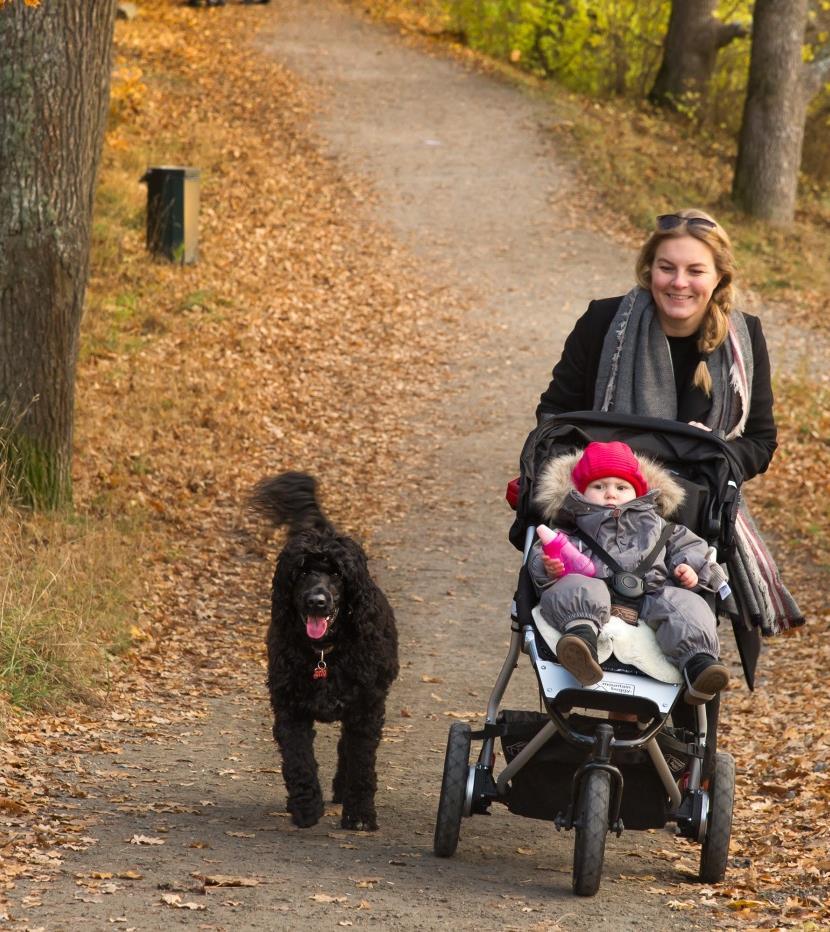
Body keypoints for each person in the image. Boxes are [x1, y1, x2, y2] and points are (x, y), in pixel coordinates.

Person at [534, 208, 802, 641]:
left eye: (695, 270)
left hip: (691, 519)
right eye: (666, 268)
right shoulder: (604, 322)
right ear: (648, 270)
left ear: (719, 277)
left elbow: (760, 440)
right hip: (599, 507)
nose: (679, 282)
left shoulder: (745, 337)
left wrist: (714, 449)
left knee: (687, 625)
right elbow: (555, 414)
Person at [528, 441, 729, 703]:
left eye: (621, 487)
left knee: (685, 604)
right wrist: (549, 567)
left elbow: (691, 547)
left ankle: (698, 663)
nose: (610, 494)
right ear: (580, 492)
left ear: (638, 492)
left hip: (652, 596)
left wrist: (689, 569)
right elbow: (542, 555)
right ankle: (581, 643)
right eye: (599, 487)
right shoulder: (572, 530)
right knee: (575, 585)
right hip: (592, 600)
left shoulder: (661, 528)